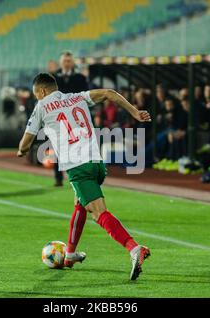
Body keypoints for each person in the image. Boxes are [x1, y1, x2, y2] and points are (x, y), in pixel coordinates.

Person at [17, 73, 151, 280]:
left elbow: (25, 144)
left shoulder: (41, 106)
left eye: (37, 95)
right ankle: (70, 254)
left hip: (78, 167)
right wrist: (134, 112)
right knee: (79, 204)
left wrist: (22, 151)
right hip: (97, 163)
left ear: (42, 92)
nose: (37, 98)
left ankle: (134, 249)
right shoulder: (77, 97)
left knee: (98, 213)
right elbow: (109, 93)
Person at [51, 51, 89, 187]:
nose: (67, 63)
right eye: (65, 61)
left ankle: (78, 176)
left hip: (75, 117)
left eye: (69, 61)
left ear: (72, 63)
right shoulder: (53, 78)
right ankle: (58, 177)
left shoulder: (80, 78)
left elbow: (85, 96)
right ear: (61, 62)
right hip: (58, 117)